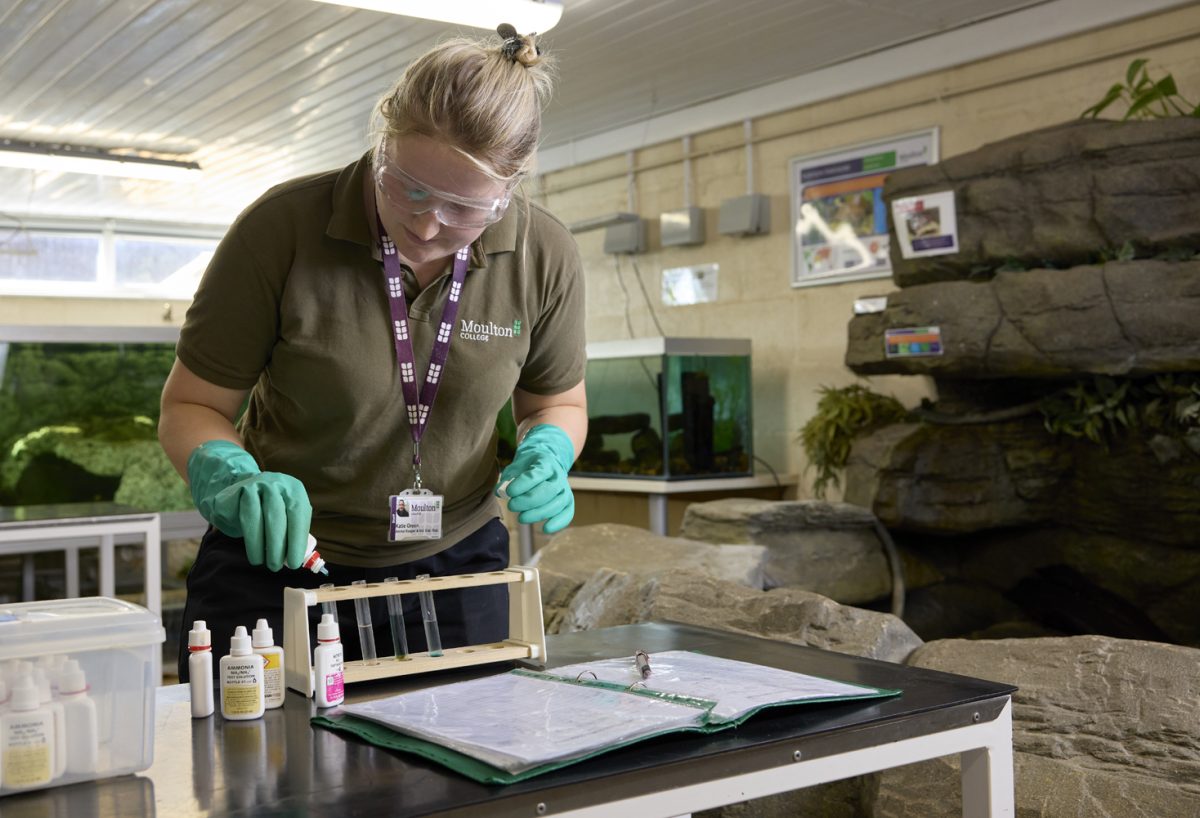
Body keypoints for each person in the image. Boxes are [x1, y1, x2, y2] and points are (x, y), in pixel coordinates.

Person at [159, 26, 587, 681]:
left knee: (460, 773)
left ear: (509, 189)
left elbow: (557, 401)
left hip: (453, 564)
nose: (426, 225)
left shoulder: (544, 254)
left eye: (463, 209)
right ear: (379, 144)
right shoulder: (282, 230)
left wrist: (550, 451)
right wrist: (228, 473)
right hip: (281, 559)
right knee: (255, 775)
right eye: (406, 188)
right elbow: (192, 404)